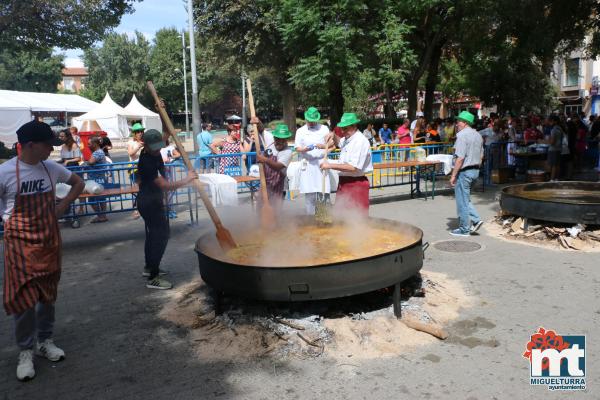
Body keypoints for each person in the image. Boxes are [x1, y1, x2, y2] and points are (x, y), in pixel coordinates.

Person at [0, 120, 84, 381]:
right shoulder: (4, 173)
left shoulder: (51, 168)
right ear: (30, 145)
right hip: (19, 244)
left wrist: (63, 206)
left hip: (48, 241)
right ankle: (25, 350)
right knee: (24, 300)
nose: (52, 150)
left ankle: (45, 341)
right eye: (48, 146)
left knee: (47, 295)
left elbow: (78, 184)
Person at [136, 129, 197, 290]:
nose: (157, 150)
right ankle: (153, 278)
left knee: (153, 235)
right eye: (154, 147)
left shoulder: (151, 151)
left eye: (159, 146)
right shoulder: (146, 161)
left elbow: (164, 134)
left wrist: (161, 112)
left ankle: (149, 268)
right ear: (145, 145)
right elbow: (165, 186)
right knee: (161, 236)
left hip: (152, 201)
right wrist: (187, 179)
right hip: (148, 203)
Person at [321, 113, 373, 215]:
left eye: (345, 129)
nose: (343, 131)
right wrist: (333, 135)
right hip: (344, 182)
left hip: (356, 183)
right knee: (340, 216)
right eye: (342, 129)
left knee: (357, 217)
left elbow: (353, 167)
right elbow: (339, 142)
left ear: (354, 126)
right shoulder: (348, 138)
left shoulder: (360, 141)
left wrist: (329, 165)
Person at [449, 111, 484, 237]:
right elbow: (481, 155)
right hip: (475, 171)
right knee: (465, 199)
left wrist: (453, 175)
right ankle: (476, 220)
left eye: (458, 121)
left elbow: (460, 158)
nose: (457, 124)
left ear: (464, 123)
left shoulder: (462, 136)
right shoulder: (478, 135)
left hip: (465, 172)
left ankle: (464, 229)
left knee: (462, 201)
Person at [295, 106, 331, 215]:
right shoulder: (301, 131)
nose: (311, 123)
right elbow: (297, 148)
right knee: (309, 193)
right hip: (308, 164)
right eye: (309, 121)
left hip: (321, 162)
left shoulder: (324, 128)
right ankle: (310, 219)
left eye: (313, 121)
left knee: (323, 192)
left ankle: (323, 218)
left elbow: (331, 144)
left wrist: (323, 145)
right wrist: (305, 149)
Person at [255, 123, 293, 207]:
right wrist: (258, 122)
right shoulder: (270, 142)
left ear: (286, 139)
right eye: (278, 139)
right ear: (274, 137)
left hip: (278, 187)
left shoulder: (287, 151)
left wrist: (264, 159)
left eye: (282, 140)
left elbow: (278, 166)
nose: (280, 142)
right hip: (265, 184)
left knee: (275, 213)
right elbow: (261, 129)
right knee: (260, 210)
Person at [86, 136, 109, 223]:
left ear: (95, 144)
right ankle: (102, 216)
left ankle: (101, 216)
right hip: (98, 178)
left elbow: (91, 162)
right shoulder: (98, 152)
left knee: (92, 199)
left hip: (97, 179)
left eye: (89, 144)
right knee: (100, 198)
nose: (88, 145)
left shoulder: (97, 153)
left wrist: (86, 163)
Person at [546, 115, 564, 181]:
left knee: (553, 165)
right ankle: (557, 178)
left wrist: (547, 141)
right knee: (557, 165)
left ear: (554, 121)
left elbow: (552, 142)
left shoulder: (553, 130)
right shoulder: (560, 128)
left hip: (553, 149)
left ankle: (552, 179)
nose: (549, 122)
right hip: (559, 149)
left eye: (550, 121)